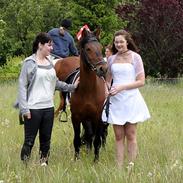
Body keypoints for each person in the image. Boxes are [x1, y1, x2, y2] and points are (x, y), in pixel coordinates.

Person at [17, 32, 79, 166]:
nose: (52, 48)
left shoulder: (50, 63)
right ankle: (25, 167)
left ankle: (43, 164)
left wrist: (73, 87)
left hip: (48, 109)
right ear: (40, 45)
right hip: (33, 109)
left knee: (46, 140)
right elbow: (22, 86)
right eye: (49, 45)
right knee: (29, 141)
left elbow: (55, 83)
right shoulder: (29, 62)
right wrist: (24, 109)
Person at [102, 29, 150, 167]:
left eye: (121, 42)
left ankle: (131, 165)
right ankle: (119, 167)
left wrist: (122, 87)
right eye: (116, 42)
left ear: (127, 42)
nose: (118, 44)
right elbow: (108, 79)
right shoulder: (111, 59)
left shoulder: (135, 57)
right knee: (118, 136)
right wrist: (107, 91)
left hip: (131, 99)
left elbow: (141, 81)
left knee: (131, 134)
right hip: (116, 101)